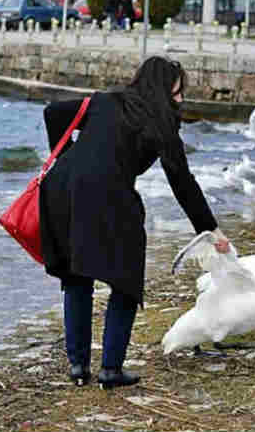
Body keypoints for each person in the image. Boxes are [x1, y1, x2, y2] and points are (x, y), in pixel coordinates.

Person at [40, 56, 230, 389]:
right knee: (125, 282)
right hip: (109, 195)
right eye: (177, 92)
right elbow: (181, 181)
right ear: (162, 91)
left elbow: (53, 112)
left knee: (76, 277)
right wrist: (210, 229)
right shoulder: (161, 123)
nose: (181, 99)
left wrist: (65, 155)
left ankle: (78, 367)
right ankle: (110, 370)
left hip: (62, 189)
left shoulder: (105, 100)